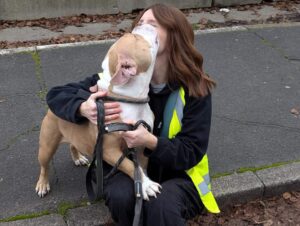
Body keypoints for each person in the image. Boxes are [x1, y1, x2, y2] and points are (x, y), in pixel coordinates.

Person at [46, 3, 220, 226]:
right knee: (121, 197)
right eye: (140, 24)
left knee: (161, 204)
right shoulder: (118, 78)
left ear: (175, 35)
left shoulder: (195, 89)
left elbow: (192, 150)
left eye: (153, 25)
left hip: (177, 173)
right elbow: (56, 95)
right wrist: (83, 107)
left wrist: (151, 142)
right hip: (126, 164)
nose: (142, 29)